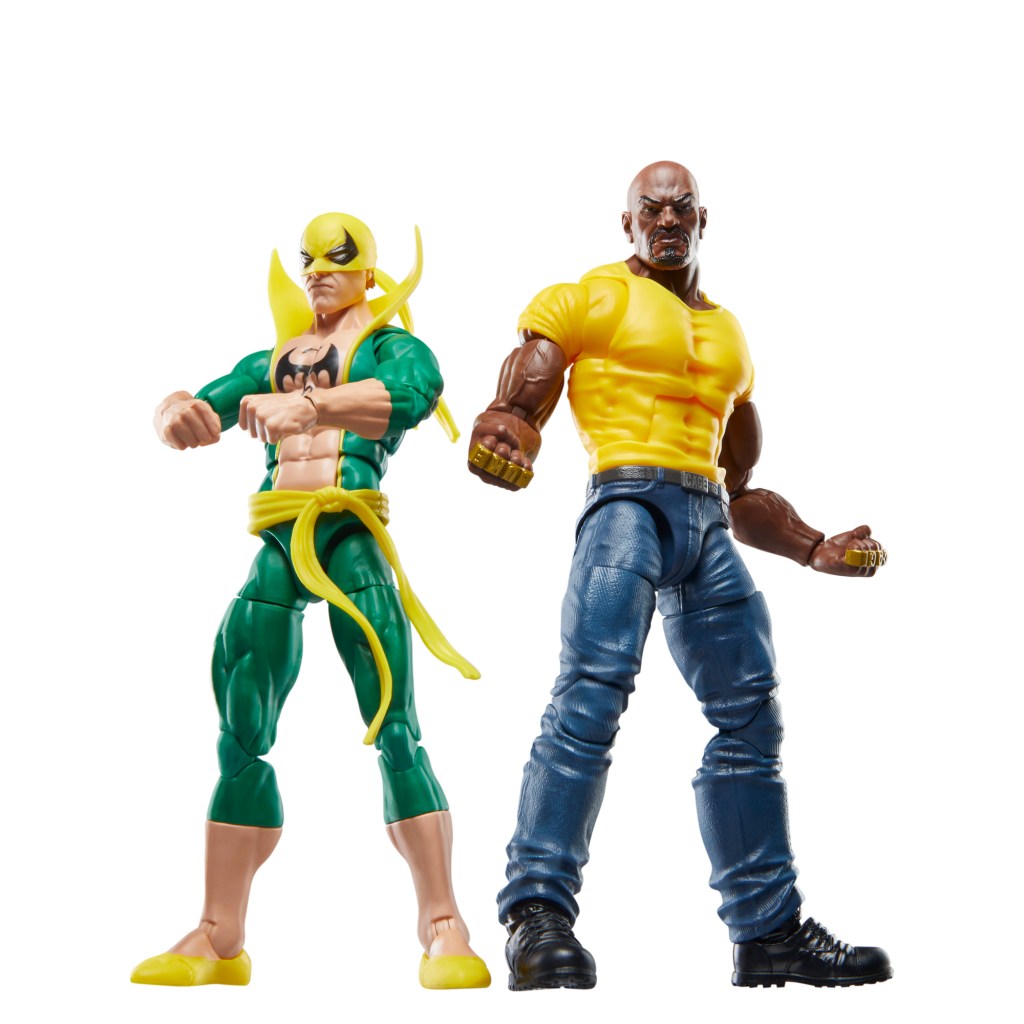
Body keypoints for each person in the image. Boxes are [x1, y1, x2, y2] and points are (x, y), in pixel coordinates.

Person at [468, 162, 892, 990]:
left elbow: (742, 487)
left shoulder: (728, 337)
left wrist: (812, 545)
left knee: (752, 718)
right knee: (590, 697)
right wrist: (505, 432)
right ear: (627, 222)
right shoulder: (589, 298)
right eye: (650, 209)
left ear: (703, 219)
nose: (666, 219)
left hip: (706, 524)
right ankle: (536, 911)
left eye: (681, 208)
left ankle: (767, 931)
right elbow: (520, 400)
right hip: (626, 503)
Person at [132, 212, 490, 989]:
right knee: (239, 731)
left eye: (339, 255)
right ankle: (219, 933)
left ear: (370, 270)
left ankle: (443, 922)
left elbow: (413, 394)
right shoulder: (274, 359)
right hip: (278, 543)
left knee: (395, 722)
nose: (320, 269)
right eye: (309, 258)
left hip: (348, 538)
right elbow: (210, 401)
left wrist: (315, 408)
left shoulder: (386, 346)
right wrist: (174, 412)